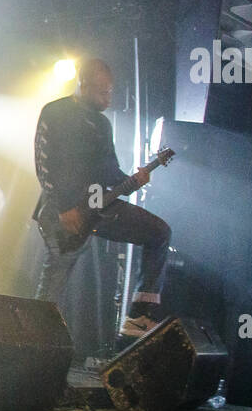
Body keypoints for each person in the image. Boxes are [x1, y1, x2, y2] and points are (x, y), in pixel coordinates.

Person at [32, 58, 171, 338]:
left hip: (98, 209)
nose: (108, 98)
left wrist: (134, 181)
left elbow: (109, 172)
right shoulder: (55, 112)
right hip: (60, 213)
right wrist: (63, 208)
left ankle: (139, 316)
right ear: (83, 85)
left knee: (159, 232)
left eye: (110, 91)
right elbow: (43, 163)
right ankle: (29, 337)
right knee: (52, 287)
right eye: (102, 92)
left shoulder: (102, 125)